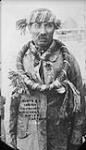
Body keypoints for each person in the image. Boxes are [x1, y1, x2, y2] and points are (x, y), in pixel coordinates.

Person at [8, 8, 85, 150]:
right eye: (37, 25)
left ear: (55, 28)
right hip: (28, 136)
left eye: (48, 25)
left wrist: (76, 136)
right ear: (29, 27)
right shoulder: (20, 61)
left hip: (59, 136)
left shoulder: (68, 61)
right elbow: (13, 101)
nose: (42, 31)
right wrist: (11, 134)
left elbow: (79, 98)